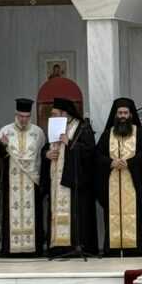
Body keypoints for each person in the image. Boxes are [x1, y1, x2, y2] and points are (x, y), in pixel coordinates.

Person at [96, 98, 142, 256]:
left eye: (125, 113)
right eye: (120, 113)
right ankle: (113, 248)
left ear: (131, 115)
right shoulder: (108, 134)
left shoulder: (139, 133)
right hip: (112, 183)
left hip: (134, 182)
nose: (122, 116)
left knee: (136, 215)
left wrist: (129, 163)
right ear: (115, 115)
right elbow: (97, 155)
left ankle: (135, 248)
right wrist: (111, 162)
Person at [46, 96, 98, 256]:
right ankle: (59, 247)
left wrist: (69, 142)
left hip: (76, 183)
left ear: (65, 113)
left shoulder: (82, 127)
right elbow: (46, 148)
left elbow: (90, 151)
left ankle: (77, 245)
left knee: (77, 213)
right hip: (57, 180)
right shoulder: (55, 127)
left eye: (55, 114)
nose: (53, 117)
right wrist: (47, 154)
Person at [0, 98, 46, 256]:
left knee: (34, 214)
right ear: (15, 115)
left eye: (26, 116)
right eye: (20, 116)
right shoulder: (5, 131)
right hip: (11, 181)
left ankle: (33, 249)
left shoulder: (38, 132)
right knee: (11, 213)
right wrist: (2, 146)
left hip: (32, 181)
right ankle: (11, 249)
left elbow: (41, 156)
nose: (23, 120)